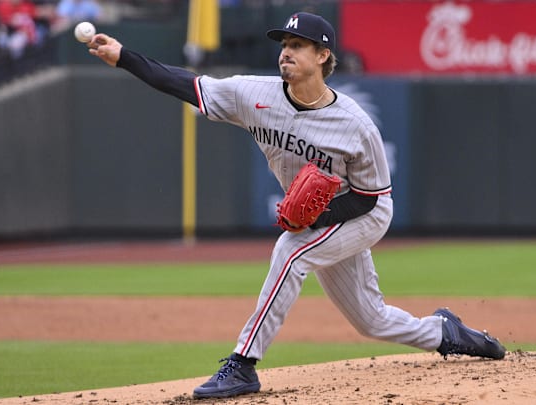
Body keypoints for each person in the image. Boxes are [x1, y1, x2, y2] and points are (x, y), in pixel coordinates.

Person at [86, 11, 506, 400]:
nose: (286, 50)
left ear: (323, 55)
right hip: (332, 217)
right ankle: (446, 332)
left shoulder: (355, 124)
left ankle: (244, 365)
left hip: (364, 212)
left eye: (299, 44)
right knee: (371, 320)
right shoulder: (252, 94)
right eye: (284, 42)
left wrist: (319, 217)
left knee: (291, 252)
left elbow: (372, 196)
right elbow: (187, 85)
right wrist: (124, 57)